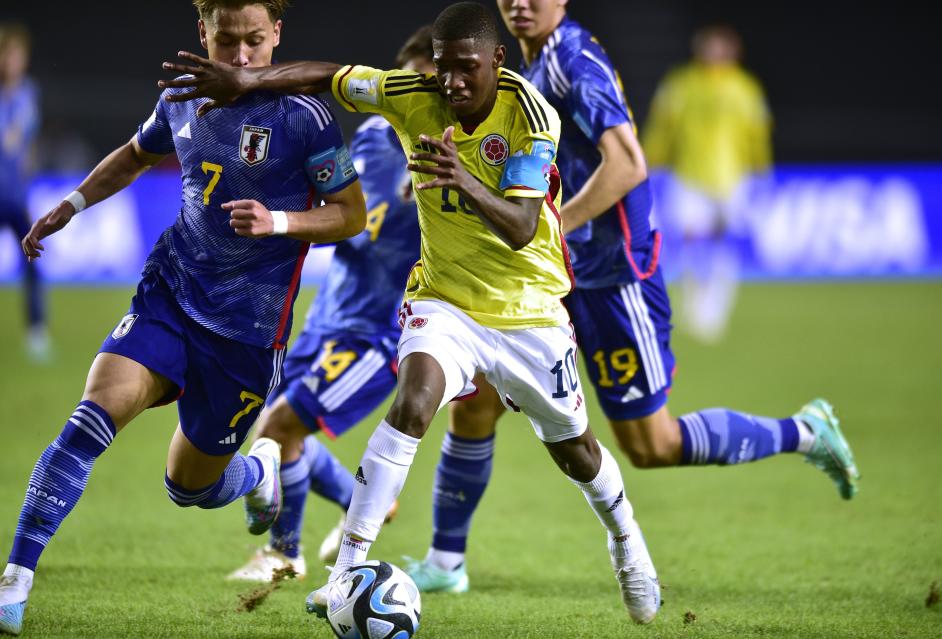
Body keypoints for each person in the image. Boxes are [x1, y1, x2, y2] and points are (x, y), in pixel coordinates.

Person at [160, 1, 663, 625]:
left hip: (529, 310)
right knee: (413, 403)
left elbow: (521, 225)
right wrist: (249, 79)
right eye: (445, 69)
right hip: (444, 300)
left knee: (576, 451)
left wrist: (463, 178)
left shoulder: (534, 116)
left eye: (466, 69)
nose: (451, 82)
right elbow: (330, 75)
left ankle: (626, 542)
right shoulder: (413, 93)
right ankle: (346, 570)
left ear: (497, 62)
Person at [400, 0, 860, 595]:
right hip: (551, 277)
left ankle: (804, 431)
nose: (520, 3)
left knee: (652, 445)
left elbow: (628, 163)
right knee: (477, 399)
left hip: (613, 274)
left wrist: (552, 225)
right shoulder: (523, 66)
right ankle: (445, 560)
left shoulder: (573, 60)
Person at [0, 1, 366, 635]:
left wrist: (280, 221)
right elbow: (138, 153)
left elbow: (352, 214)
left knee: (188, 488)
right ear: (204, 33)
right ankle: (15, 579)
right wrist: (73, 202)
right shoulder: (181, 95)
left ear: (278, 33)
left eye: (256, 40)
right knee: (92, 415)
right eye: (228, 41)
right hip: (172, 294)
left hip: (248, 335)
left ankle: (257, 472)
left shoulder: (306, 118)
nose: (243, 56)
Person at [226, 26, 433, 583]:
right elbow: (344, 209)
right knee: (265, 429)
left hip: (378, 334)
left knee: (280, 425)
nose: (419, 93)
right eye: (408, 82)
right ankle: (360, 500)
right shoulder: (369, 136)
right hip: (327, 314)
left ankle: (283, 553)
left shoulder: (448, 161)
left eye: (431, 83)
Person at [643, 24, 773, 343]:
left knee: (724, 243)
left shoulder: (745, 88)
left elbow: (757, 133)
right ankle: (696, 309)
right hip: (690, 176)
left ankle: (716, 310)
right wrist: (649, 161)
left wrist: (760, 170)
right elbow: (662, 128)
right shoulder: (681, 85)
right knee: (692, 240)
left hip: (733, 177)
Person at [0, 23, 48, 362]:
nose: (12, 61)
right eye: (7, 54)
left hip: (16, 195)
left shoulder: (28, 93)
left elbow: (22, 144)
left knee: (32, 260)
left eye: (17, 55)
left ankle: (36, 332)